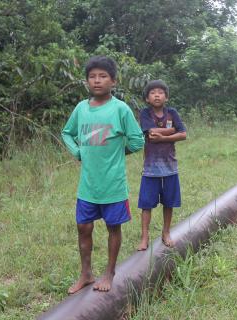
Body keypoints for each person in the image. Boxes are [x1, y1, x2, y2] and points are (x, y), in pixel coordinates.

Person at [61, 56, 144, 294]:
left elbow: (138, 140)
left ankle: (109, 272)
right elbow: (67, 133)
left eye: (103, 76)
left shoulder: (120, 109)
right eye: (92, 76)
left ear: (113, 81)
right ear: (87, 81)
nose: (97, 81)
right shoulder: (81, 108)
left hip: (113, 186)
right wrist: (77, 152)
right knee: (83, 227)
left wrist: (119, 152)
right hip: (88, 186)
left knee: (113, 228)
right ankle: (86, 273)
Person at [136, 79, 187, 251]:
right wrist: (173, 130)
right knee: (146, 204)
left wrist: (165, 136)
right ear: (147, 98)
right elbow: (150, 133)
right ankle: (144, 237)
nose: (157, 95)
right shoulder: (145, 113)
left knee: (169, 202)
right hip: (150, 169)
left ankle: (166, 233)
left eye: (160, 92)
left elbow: (184, 134)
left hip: (170, 167)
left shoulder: (172, 112)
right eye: (152, 93)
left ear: (166, 97)